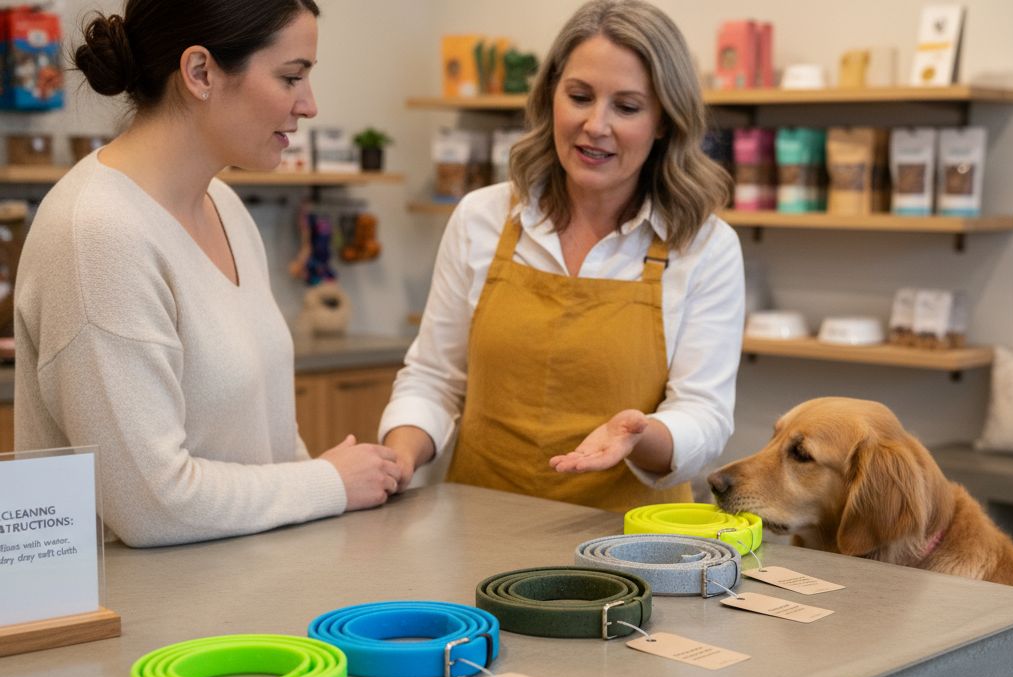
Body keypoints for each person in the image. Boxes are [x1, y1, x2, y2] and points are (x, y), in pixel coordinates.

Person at [13, 0, 401, 548]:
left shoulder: (225, 208)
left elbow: (269, 441)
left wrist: (326, 497)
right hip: (144, 621)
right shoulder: (97, 233)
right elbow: (150, 504)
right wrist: (330, 482)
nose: (309, 105)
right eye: (291, 77)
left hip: (240, 594)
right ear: (200, 73)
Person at [380, 0, 743, 512]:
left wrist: (638, 436)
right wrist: (399, 457)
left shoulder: (704, 246)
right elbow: (435, 378)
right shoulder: (482, 217)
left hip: (624, 547)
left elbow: (703, 413)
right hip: (477, 526)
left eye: (628, 106)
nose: (596, 125)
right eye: (579, 96)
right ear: (551, 95)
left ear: (664, 121)